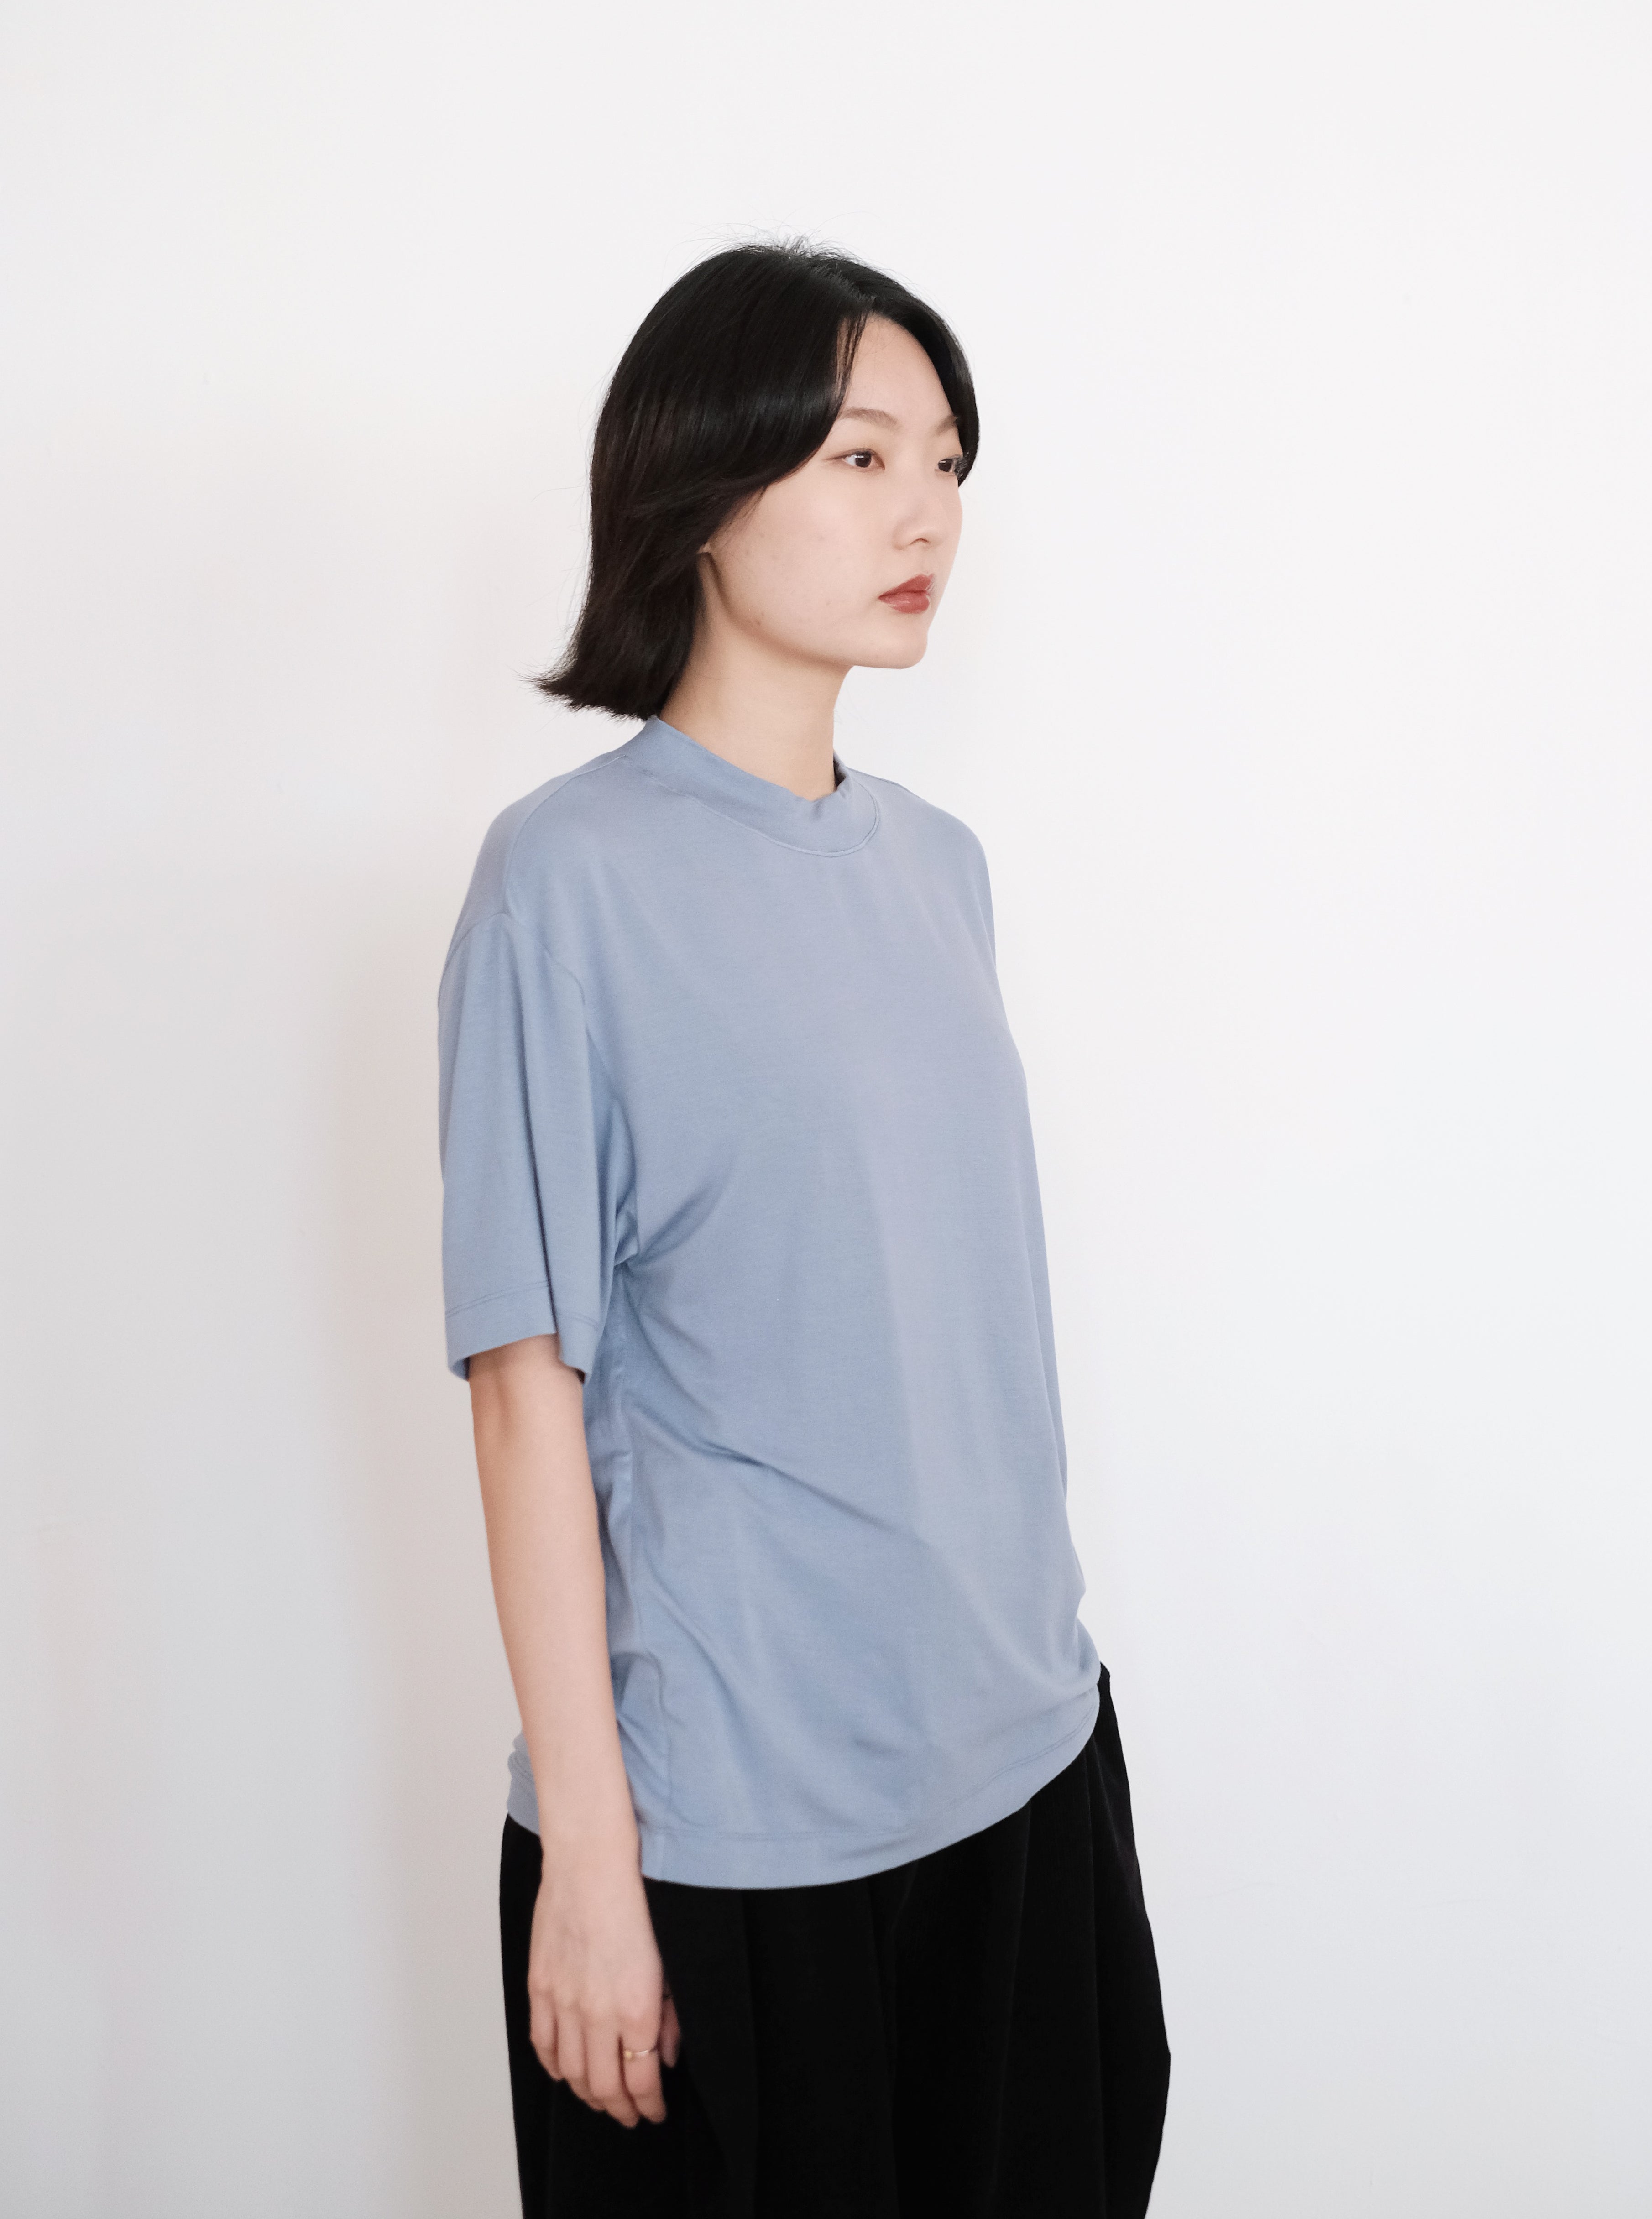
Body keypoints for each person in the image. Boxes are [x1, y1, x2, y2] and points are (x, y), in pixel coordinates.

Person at [438, 242, 1170, 2217]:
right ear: (701, 482)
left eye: (946, 461)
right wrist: (593, 1868)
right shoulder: (565, 885)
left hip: (1026, 1760)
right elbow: (524, 1392)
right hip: (736, 1835)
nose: (926, 511)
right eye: (860, 456)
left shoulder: (942, 869)